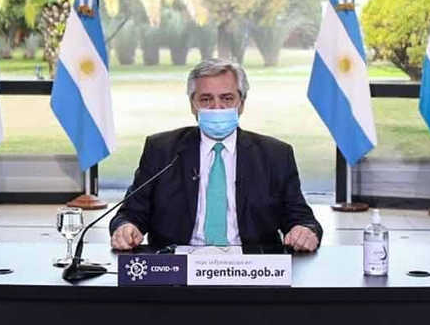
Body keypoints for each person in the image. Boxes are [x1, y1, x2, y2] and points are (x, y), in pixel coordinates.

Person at [110, 59, 322, 253]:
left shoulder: (275, 155)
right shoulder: (162, 150)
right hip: (176, 270)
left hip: (253, 270)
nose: (217, 107)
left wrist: (304, 231)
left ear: (242, 103)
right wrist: (125, 228)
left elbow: (301, 218)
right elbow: (130, 214)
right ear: (192, 104)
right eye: (206, 99)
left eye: (227, 98)